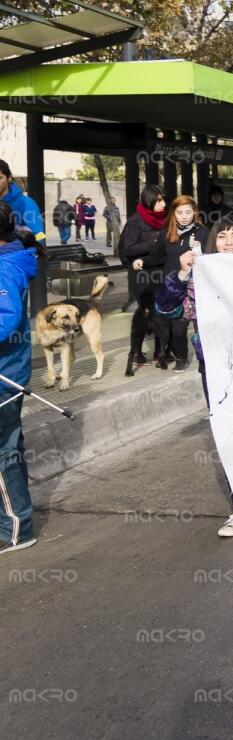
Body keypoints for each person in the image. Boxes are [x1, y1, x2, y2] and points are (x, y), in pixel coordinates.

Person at [163, 215, 233, 537]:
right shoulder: (199, 274)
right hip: (217, 369)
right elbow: (166, 308)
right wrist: (182, 273)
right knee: (231, 432)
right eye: (222, 237)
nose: (228, 242)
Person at [0, 201, 42, 555]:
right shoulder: (11, 260)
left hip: (4, 377)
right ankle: (15, 517)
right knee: (8, 448)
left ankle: (15, 528)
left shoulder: (4, 267)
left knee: (3, 453)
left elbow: (5, 320)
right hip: (10, 372)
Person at [145, 195, 208, 371]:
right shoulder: (166, 233)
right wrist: (141, 262)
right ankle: (182, 358)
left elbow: (212, 256)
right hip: (174, 287)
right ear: (173, 213)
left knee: (200, 327)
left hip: (198, 288)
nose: (184, 216)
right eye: (179, 212)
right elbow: (156, 256)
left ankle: (206, 358)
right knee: (178, 328)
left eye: (188, 212)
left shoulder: (203, 232)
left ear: (194, 212)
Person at [119, 184, 167, 359]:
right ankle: (136, 352)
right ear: (149, 200)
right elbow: (128, 249)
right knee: (145, 311)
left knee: (160, 310)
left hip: (160, 270)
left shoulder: (165, 219)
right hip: (141, 274)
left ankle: (159, 351)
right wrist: (153, 243)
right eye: (159, 200)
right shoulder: (135, 221)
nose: (163, 204)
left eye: (163, 200)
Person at [0, 160, 46, 245]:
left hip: (14, 256)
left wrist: (18, 249)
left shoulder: (26, 203)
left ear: (9, 178)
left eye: (0, 178)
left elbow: (40, 235)